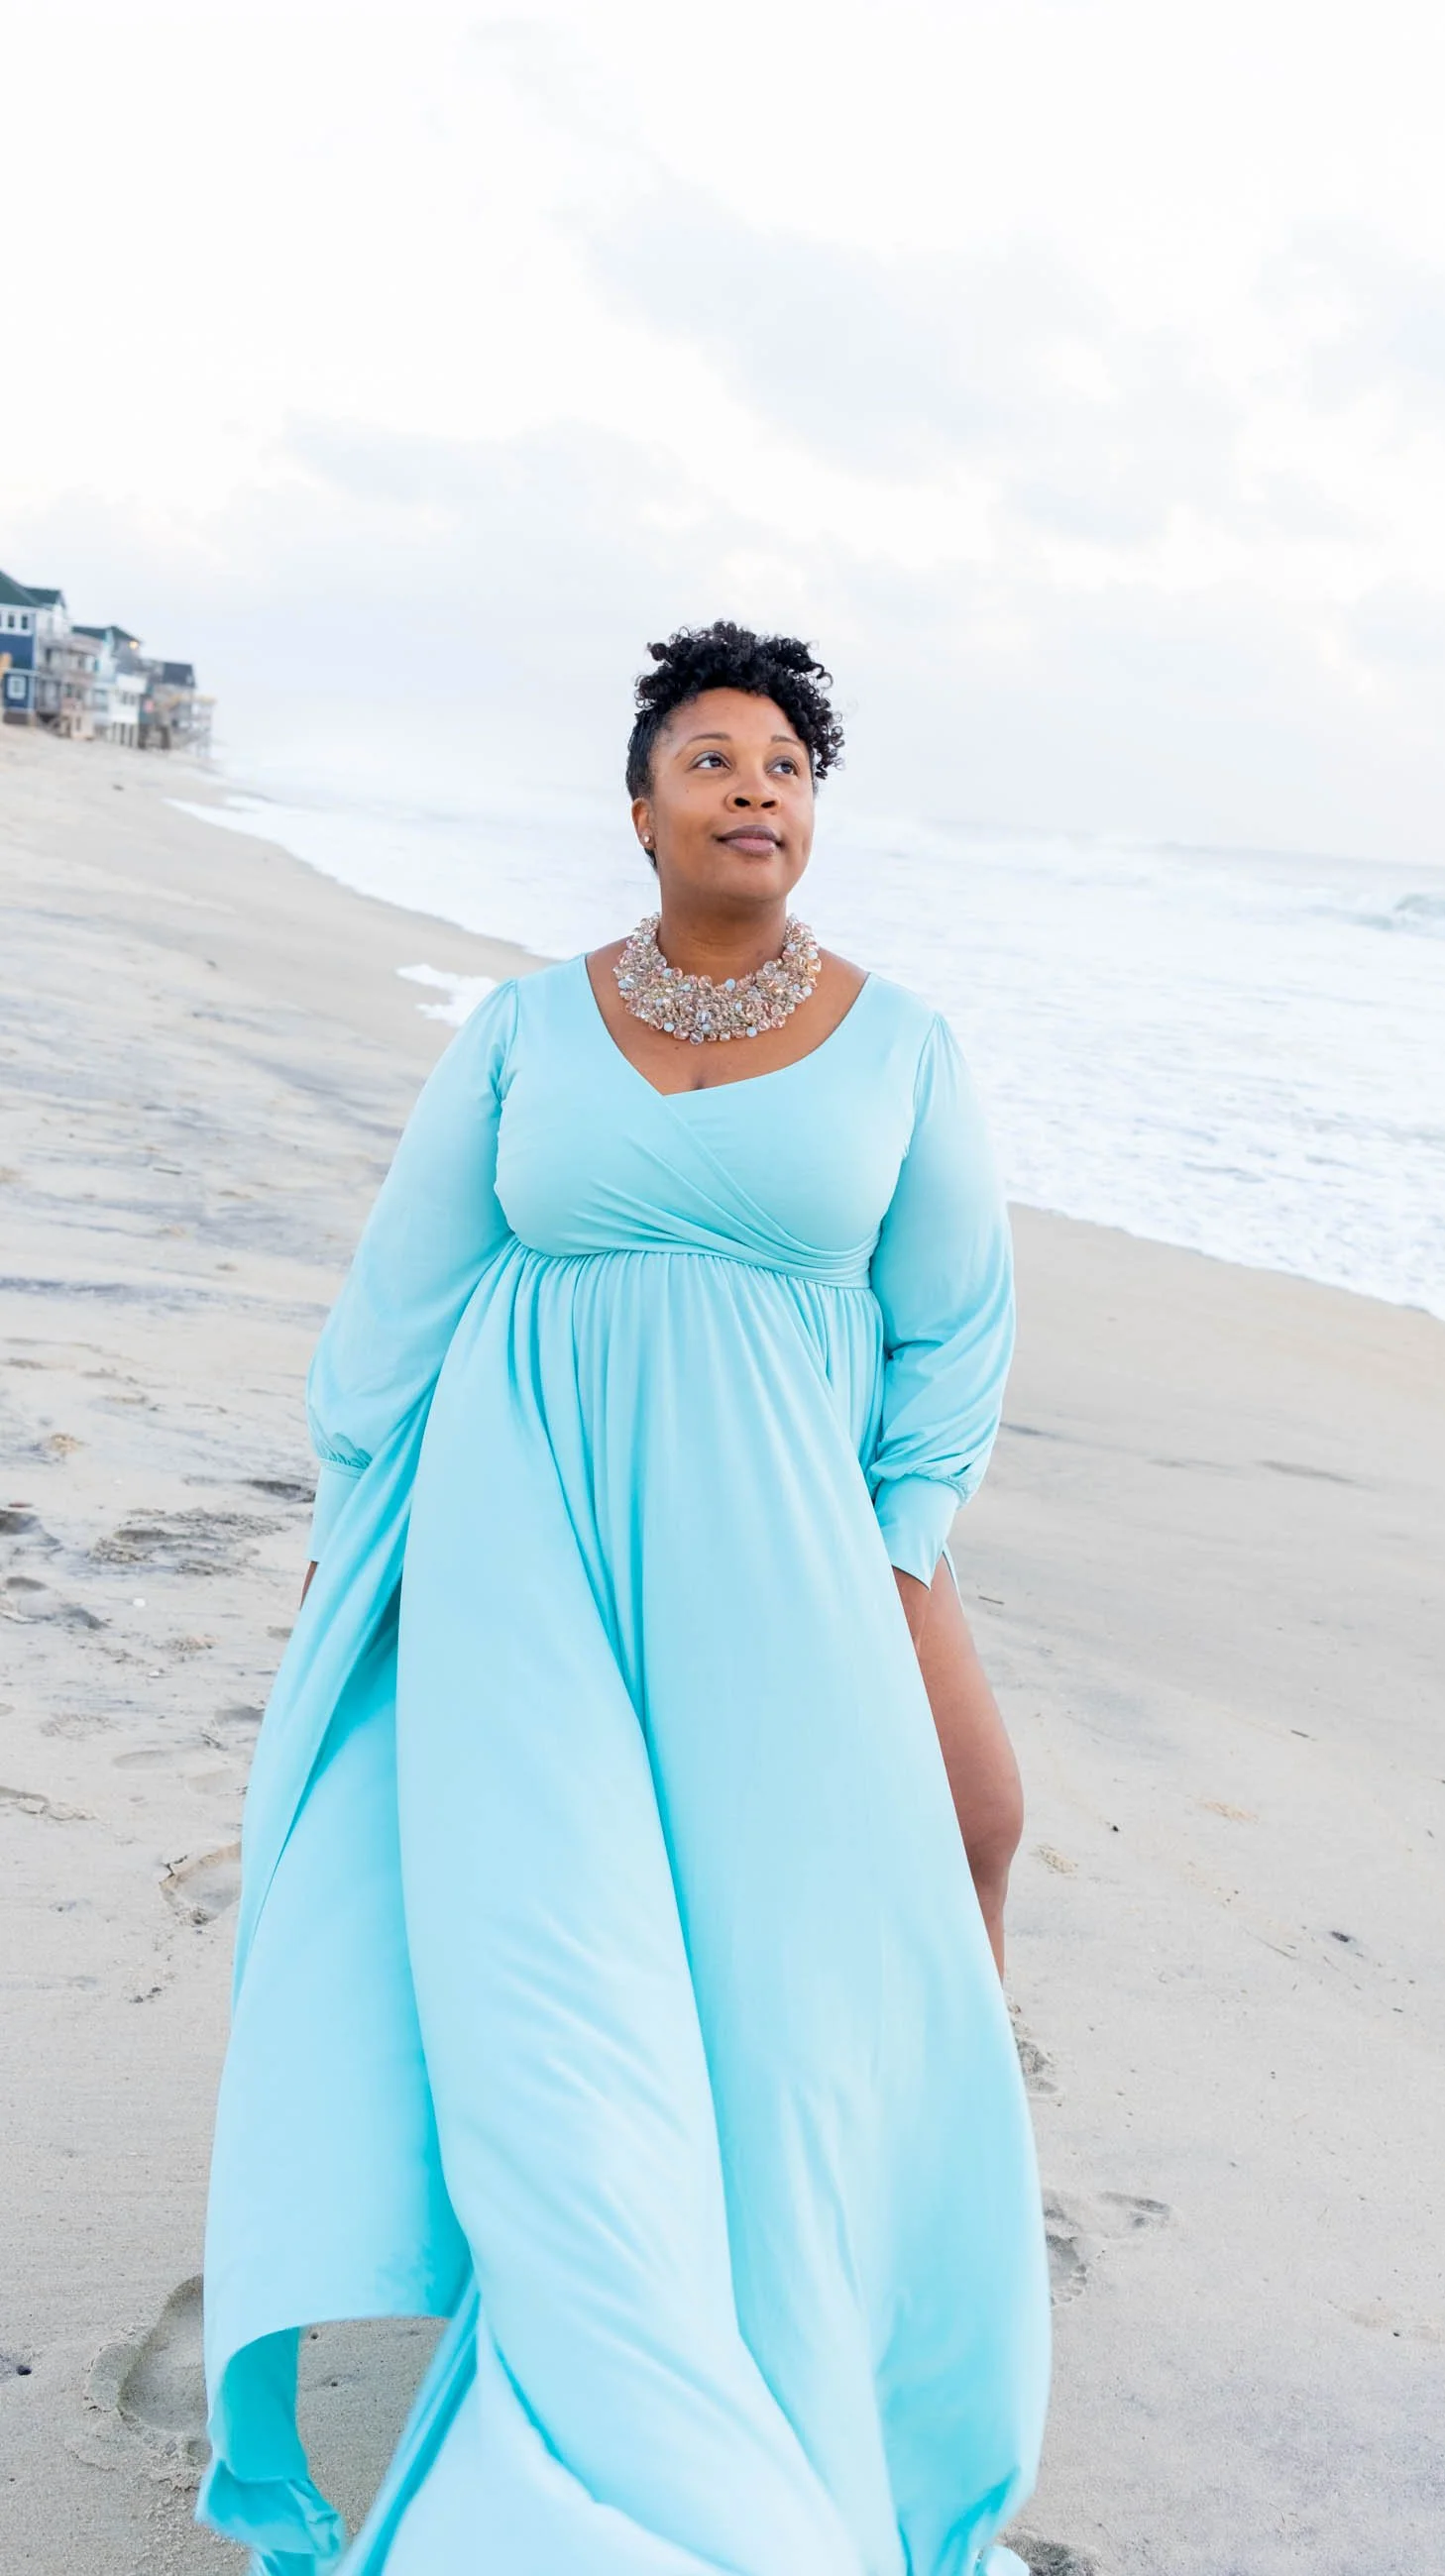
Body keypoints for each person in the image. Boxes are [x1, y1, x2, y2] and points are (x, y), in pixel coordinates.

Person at [197, 622, 1051, 2572]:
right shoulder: (520, 1026)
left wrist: (896, 1551)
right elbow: (407, 1285)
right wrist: (354, 1515)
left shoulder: (903, 1042)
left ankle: (858, 2284)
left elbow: (953, 1332)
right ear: (644, 802)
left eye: (788, 768)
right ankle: (608, 2367)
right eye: (716, 758)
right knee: (569, 1953)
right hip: (529, 1550)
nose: (757, 788)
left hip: (789, 1556)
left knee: (887, 1882)